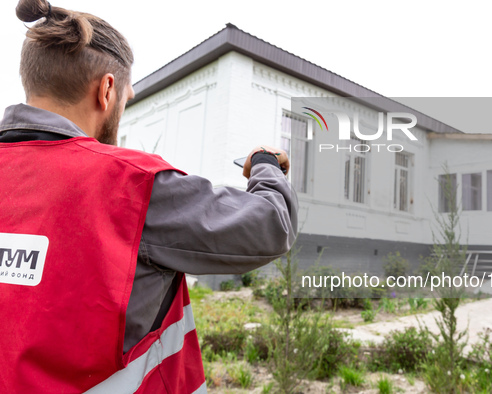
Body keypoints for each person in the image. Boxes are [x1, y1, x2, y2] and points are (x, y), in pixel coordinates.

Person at [0, 0, 297, 393]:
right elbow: (270, 226)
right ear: (107, 91)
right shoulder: (129, 184)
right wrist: (264, 164)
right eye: (127, 97)